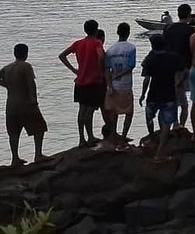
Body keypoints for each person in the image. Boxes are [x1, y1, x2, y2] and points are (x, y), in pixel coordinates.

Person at [59, 19, 106, 148]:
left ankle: (81, 138)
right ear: (96, 30)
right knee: (89, 110)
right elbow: (101, 56)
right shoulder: (96, 43)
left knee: (81, 110)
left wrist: (74, 70)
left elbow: (62, 55)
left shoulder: (78, 43)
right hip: (93, 81)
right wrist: (102, 70)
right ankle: (90, 136)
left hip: (80, 80)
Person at [0, 44, 48, 166]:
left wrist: (7, 85)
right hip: (25, 103)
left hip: (10, 105)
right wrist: (34, 100)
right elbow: (31, 84)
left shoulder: (7, 68)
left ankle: (15, 158)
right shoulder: (26, 66)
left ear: (14, 53)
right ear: (26, 53)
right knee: (39, 127)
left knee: (14, 133)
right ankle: (38, 154)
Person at [139, 35, 181, 163]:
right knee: (166, 123)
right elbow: (183, 71)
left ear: (152, 46)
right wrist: (178, 83)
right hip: (169, 93)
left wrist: (142, 94)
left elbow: (147, 79)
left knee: (149, 117)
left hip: (153, 93)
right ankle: (160, 152)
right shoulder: (173, 57)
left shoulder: (150, 59)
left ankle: (151, 138)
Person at [105, 23, 136, 147]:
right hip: (126, 84)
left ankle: (113, 135)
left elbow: (106, 69)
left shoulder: (110, 50)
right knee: (129, 112)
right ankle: (123, 138)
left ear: (117, 32)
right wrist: (119, 75)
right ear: (128, 33)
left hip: (114, 85)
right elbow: (131, 66)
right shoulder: (131, 48)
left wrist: (109, 84)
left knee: (114, 112)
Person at [163, 3, 193, 129]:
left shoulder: (168, 29)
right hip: (184, 69)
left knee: (171, 100)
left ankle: (168, 127)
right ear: (188, 15)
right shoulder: (190, 31)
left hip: (168, 69)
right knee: (184, 104)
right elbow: (191, 51)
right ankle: (178, 126)